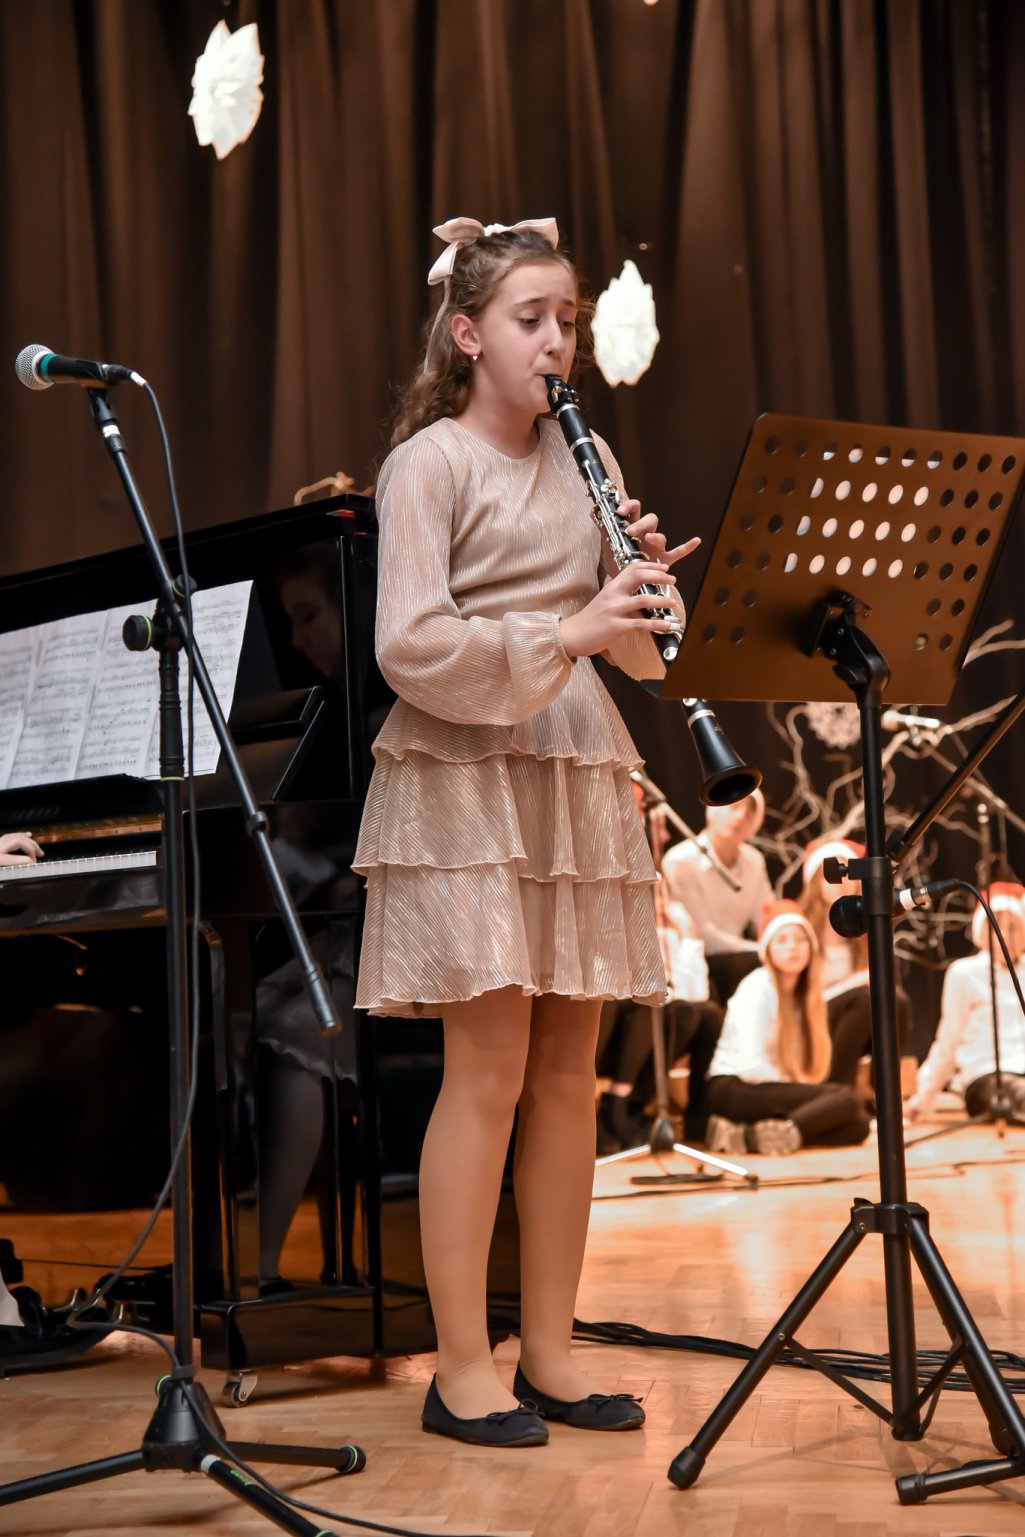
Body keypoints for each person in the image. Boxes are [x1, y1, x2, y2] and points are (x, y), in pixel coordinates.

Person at [353, 216, 699, 1446]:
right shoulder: (427, 464)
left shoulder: (581, 453)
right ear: (467, 335)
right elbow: (407, 645)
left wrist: (645, 593)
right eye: (530, 320)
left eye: (567, 321)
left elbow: (648, 662)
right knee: (488, 1070)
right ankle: (461, 1368)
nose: (557, 342)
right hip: (462, 766)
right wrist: (569, 629)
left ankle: (547, 1351)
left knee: (566, 1075)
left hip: (571, 761)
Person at [596, 797, 723, 1150]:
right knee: (643, 1006)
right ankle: (615, 1107)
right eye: (658, 826)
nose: (664, 835)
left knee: (688, 1013)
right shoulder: (610, 891)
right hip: (612, 1000)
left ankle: (628, 1105)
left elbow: (694, 992)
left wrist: (685, 936)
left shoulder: (663, 896)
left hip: (654, 1005)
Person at [704, 900, 872, 1154]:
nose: (792, 947)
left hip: (768, 1085)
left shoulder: (806, 995)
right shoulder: (758, 986)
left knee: (858, 1127)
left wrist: (800, 1095)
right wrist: (799, 1094)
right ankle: (785, 1131)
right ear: (768, 948)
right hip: (734, 1087)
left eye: (801, 940)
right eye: (782, 940)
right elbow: (751, 1066)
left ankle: (747, 1136)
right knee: (845, 1098)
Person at [905, 883, 1025, 1123]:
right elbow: (948, 1042)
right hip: (987, 1076)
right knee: (1018, 1093)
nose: (1004, 935)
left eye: (1013, 927)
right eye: (996, 926)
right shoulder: (965, 973)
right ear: (982, 931)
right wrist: (922, 1099)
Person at [797, 835, 911, 1088]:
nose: (841, 885)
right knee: (860, 1000)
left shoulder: (864, 928)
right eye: (831, 878)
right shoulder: (801, 928)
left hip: (853, 1020)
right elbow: (802, 994)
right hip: (811, 1016)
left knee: (898, 1001)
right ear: (815, 881)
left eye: (847, 876)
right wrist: (855, 984)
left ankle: (882, 1088)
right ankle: (839, 1088)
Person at [661, 790, 773, 1004]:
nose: (740, 817)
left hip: (743, 958)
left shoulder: (754, 861)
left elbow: (766, 915)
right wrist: (760, 950)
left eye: (749, 813)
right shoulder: (681, 861)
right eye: (734, 807)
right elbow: (702, 934)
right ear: (713, 809)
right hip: (699, 960)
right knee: (750, 965)